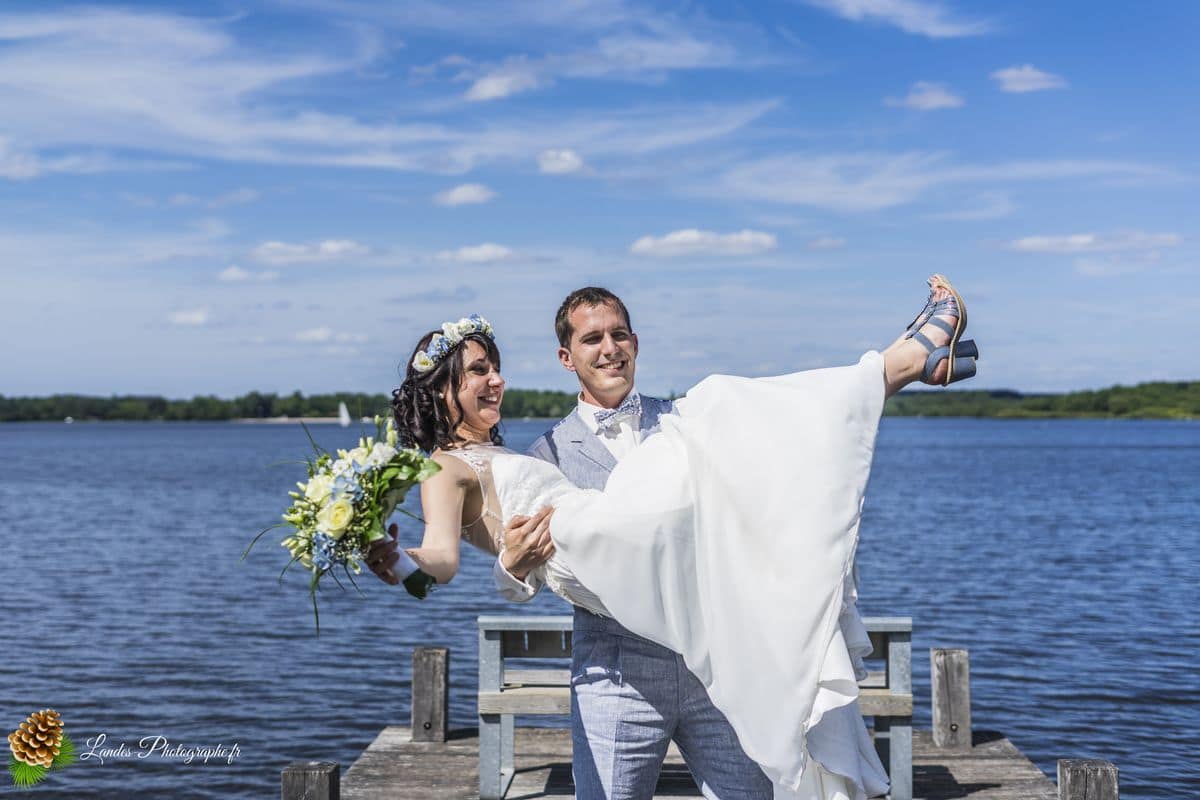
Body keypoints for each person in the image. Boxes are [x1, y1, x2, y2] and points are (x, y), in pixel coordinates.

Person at [370, 276, 978, 800]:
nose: (610, 349)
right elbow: (470, 553)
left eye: (620, 336)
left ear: (634, 342)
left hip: (713, 661)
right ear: (567, 357)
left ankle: (899, 368)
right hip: (616, 674)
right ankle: (906, 360)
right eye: (592, 339)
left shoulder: (674, 422)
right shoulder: (541, 451)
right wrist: (472, 564)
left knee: (736, 419)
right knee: (727, 408)